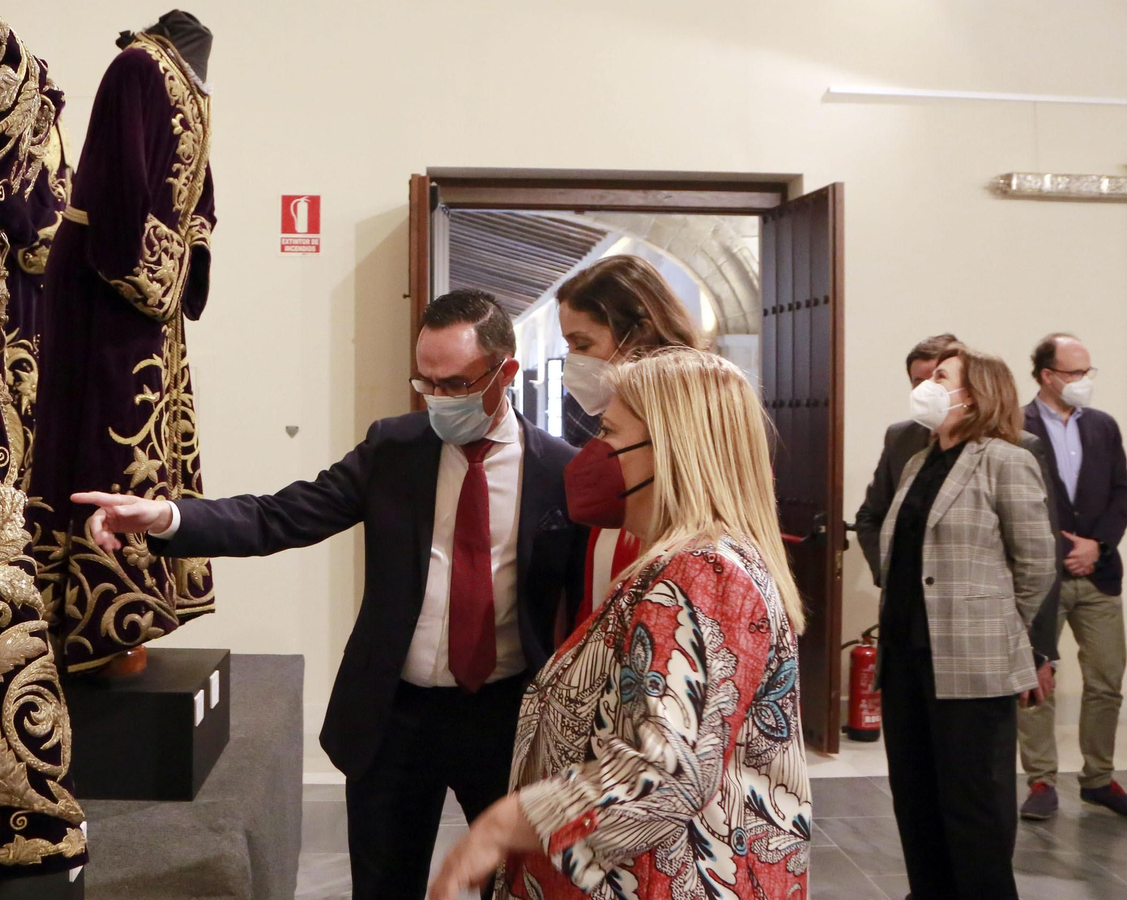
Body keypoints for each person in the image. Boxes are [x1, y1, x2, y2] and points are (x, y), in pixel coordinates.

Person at [75, 289, 586, 899]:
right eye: (425, 383)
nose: (438, 400)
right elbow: (279, 516)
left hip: (505, 716)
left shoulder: (562, 472)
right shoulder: (393, 449)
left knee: (517, 887)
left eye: (455, 384)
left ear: (506, 372)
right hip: (395, 716)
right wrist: (165, 518)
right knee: (381, 887)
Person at [429, 348, 811, 900]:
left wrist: (503, 824)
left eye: (608, 432)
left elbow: (666, 770)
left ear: (669, 449)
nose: (592, 454)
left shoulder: (702, 572)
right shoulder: (691, 562)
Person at [878, 344, 1055, 900]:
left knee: (973, 805)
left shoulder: (1006, 459)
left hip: (971, 659)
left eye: (941, 377)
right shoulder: (916, 460)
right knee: (916, 795)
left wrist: (1000, 627)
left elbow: (1035, 563)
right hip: (907, 657)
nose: (927, 385)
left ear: (976, 394)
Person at [557, 255, 706, 626]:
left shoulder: (704, 433)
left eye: (583, 344)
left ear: (638, 335)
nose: (572, 361)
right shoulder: (602, 422)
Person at [1018, 333, 1127, 819]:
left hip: (1098, 574)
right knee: (1037, 679)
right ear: (1048, 376)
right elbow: (1020, 501)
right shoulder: (1015, 426)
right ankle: (1041, 780)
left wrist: (1098, 545)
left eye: (1088, 373)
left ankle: (1099, 778)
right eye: (1075, 373)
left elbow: (1121, 490)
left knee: (1106, 678)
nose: (1084, 382)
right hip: (1043, 576)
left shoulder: (1103, 426)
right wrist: (1067, 548)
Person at [855, 333, 960, 585]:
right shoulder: (900, 437)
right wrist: (886, 573)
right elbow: (870, 516)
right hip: (906, 596)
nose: (926, 389)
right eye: (918, 382)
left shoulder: (1008, 445)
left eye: (937, 378)